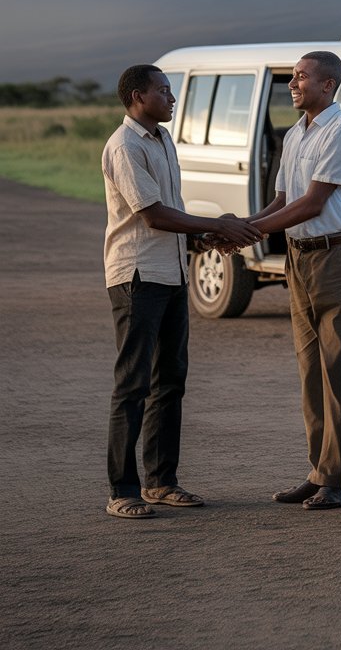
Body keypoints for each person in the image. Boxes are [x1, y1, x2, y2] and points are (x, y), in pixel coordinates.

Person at [102, 65, 263, 519]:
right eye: (164, 91)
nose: (172, 98)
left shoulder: (162, 139)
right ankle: (122, 490)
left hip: (172, 275)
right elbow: (152, 215)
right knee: (132, 385)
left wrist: (205, 239)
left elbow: (173, 215)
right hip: (137, 276)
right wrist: (219, 224)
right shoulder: (125, 145)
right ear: (138, 96)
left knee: (170, 380)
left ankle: (161, 482)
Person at [247, 51, 341, 510]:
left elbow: (314, 203)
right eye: (293, 77)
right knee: (309, 368)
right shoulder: (296, 134)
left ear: (329, 86)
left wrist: (250, 229)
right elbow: (282, 199)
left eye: (302, 77)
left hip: (336, 254)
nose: (293, 84)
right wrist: (243, 226)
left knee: (337, 367)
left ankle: (338, 479)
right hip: (298, 257)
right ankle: (320, 471)